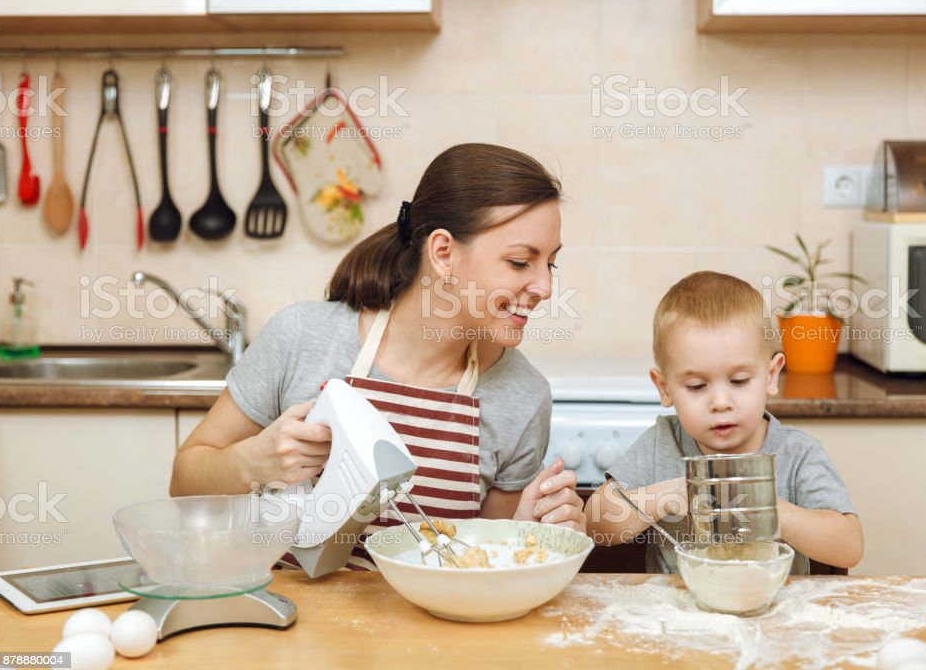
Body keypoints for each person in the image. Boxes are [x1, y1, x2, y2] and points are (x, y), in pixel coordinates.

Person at [173, 143, 586, 570]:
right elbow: (183, 483)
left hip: (430, 633)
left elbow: (482, 567)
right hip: (282, 623)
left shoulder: (522, 395)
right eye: (520, 262)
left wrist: (522, 534)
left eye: (550, 265)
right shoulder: (302, 337)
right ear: (443, 252)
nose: (545, 288)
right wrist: (251, 461)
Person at [584, 271, 863, 574]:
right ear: (664, 388)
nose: (720, 402)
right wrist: (666, 496)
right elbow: (595, 524)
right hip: (678, 616)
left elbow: (849, 547)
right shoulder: (662, 442)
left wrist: (765, 509)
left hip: (772, 616)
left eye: (739, 380)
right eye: (697, 386)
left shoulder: (796, 452)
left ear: (771, 376)